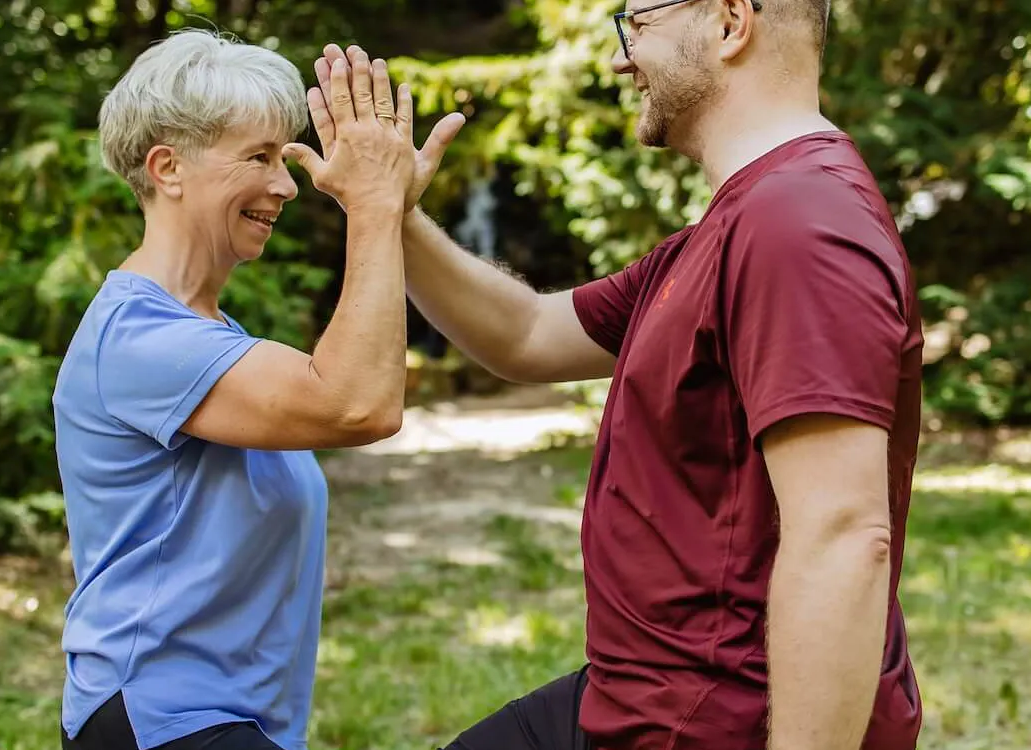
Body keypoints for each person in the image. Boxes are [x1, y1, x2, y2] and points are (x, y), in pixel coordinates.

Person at [310, 0, 926, 745]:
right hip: (635, 697)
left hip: (712, 722)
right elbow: (528, 334)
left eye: (637, 22)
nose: (619, 58)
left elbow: (843, 536)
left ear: (731, 21)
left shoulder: (799, 222)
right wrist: (388, 210)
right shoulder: (731, 229)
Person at [51, 30, 461, 750]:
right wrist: (371, 206)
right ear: (167, 167)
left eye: (283, 157)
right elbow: (357, 402)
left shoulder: (210, 335)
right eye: (259, 157)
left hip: (224, 725)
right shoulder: (139, 339)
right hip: (160, 720)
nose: (285, 185)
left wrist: (389, 207)